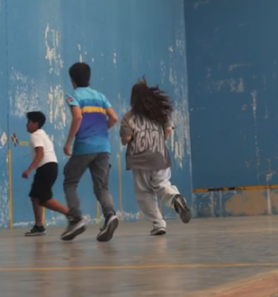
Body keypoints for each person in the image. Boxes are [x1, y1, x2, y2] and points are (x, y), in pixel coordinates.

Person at [119, 78, 192, 236]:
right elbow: (168, 130)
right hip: (160, 156)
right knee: (162, 184)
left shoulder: (128, 117)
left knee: (144, 192)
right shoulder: (160, 113)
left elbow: (127, 138)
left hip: (139, 159)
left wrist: (124, 139)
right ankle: (176, 198)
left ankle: (158, 224)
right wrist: (159, 140)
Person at [60, 62, 120, 242]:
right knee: (102, 187)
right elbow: (114, 118)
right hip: (103, 148)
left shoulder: (73, 96)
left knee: (70, 181)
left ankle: (76, 219)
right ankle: (110, 215)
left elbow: (77, 117)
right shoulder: (100, 96)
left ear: (72, 80)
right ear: (89, 78)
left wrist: (68, 142)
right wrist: (101, 130)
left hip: (84, 146)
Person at [21, 111, 69, 237]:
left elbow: (40, 154)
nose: (27, 124)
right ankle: (39, 226)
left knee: (44, 199)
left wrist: (29, 169)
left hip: (46, 167)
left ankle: (72, 215)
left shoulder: (35, 135)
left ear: (36, 123)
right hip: (50, 167)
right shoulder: (41, 133)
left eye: (29, 122)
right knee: (35, 196)